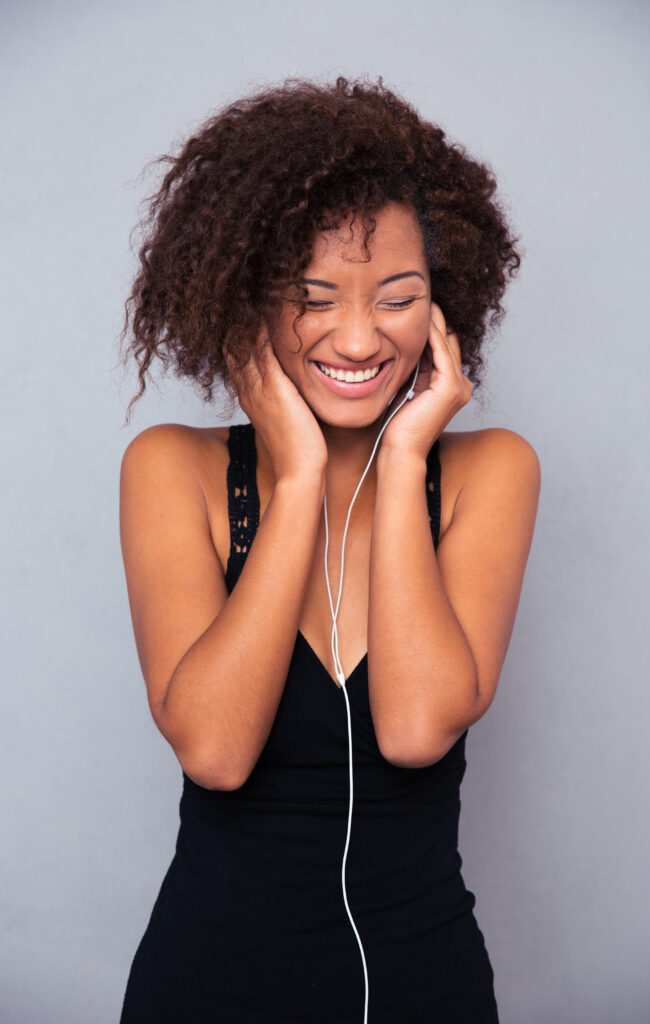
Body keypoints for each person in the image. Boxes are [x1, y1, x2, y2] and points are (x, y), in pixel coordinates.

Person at [117, 75, 540, 1024]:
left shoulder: (489, 472)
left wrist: (400, 463)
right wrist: (300, 478)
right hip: (205, 983)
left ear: (441, 306)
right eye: (311, 298)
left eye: (397, 297)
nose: (358, 335)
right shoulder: (170, 470)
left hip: (420, 982)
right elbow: (216, 753)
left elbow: (415, 728)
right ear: (243, 300)